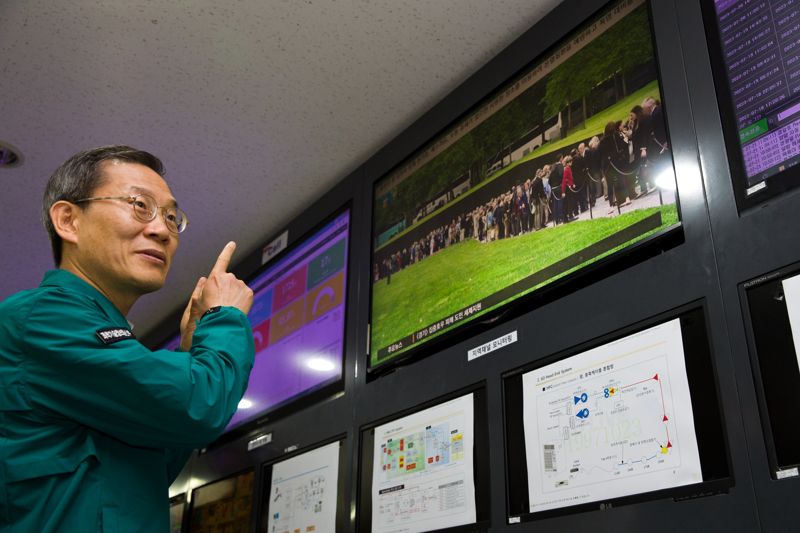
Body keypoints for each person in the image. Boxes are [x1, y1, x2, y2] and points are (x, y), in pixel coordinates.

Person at [0, 145, 255, 531]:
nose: (161, 230)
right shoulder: (41, 318)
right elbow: (199, 407)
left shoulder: (97, 341)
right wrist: (225, 317)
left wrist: (190, 349)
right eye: (139, 205)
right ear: (68, 220)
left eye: (171, 217)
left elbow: (147, 470)